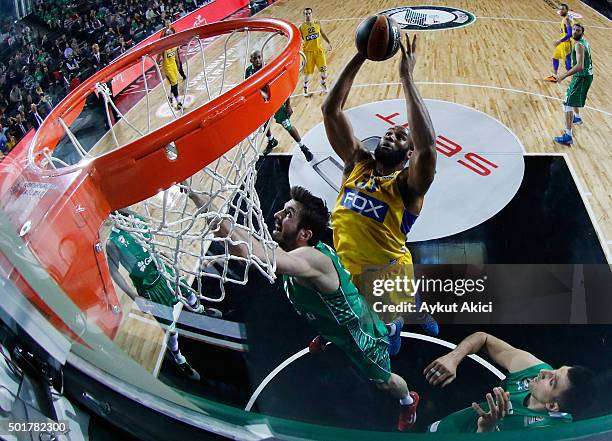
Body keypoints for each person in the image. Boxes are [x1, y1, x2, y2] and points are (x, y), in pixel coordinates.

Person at [189, 187, 420, 431]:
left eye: (288, 214)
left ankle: (408, 401)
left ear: (305, 234)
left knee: (384, 382)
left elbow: (249, 251)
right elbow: (254, 248)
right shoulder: (296, 251)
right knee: (332, 318)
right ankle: (386, 328)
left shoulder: (311, 260)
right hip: (335, 318)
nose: (277, 214)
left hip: (360, 334)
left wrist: (199, 197)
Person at [321, 34, 438, 334]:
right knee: (360, 331)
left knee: (387, 335)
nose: (390, 136)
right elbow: (330, 110)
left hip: (387, 275)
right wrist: (362, 53)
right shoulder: (357, 162)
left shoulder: (407, 187)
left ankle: (409, 314)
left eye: (400, 137)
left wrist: (406, 76)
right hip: (348, 270)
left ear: (408, 154)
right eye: (388, 133)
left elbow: (427, 149)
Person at [106, 210, 222, 380]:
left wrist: (166, 257)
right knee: (170, 329)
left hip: (163, 273)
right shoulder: (112, 242)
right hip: (150, 289)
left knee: (189, 293)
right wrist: (134, 296)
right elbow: (114, 272)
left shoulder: (139, 219)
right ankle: (179, 359)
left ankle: (201, 310)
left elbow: (152, 247)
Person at [424, 331, 595, 433]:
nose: (544, 372)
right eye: (555, 369)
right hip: (453, 426)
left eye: (552, 381)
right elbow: (483, 338)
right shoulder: (533, 370)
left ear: (553, 407)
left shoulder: (547, 433)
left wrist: (486, 429)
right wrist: (453, 358)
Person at [245, 50, 313, 160]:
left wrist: (288, 105)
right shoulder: (248, 71)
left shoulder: (270, 69)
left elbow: (284, 86)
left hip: (275, 102)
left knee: (288, 126)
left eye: (259, 57)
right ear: (251, 60)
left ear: (262, 58)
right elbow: (248, 88)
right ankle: (272, 141)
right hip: (262, 104)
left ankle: (303, 147)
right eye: (255, 58)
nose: (257, 60)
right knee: (264, 124)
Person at [553, 22, 593, 146]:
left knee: (567, 103)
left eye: (578, 30)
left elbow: (580, 66)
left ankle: (568, 136)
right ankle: (577, 117)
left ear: (582, 33)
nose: (575, 31)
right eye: (574, 29)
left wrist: (563, 76)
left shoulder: (579, 46)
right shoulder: (584, 42)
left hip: (581, 77)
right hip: (585, 76)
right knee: (571, 97)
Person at [299, 7, 332, 96]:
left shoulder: (317, 23)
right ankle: (305, 88)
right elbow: (299, 40)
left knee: (324, 72)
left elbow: (322, 33)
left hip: (319, 51)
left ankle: (323, 83)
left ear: (312, 14)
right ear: (304, 15)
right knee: (307, 74)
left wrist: (328, 42)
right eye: (306, 14)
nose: (308, 15)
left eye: (309, 13)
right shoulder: (301, 28)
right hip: (308, 53)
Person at [544, 4, 573, 83]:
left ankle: (580, 76)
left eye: (563, 9)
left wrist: (559, 41)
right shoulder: (566, 18)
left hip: (567, 44)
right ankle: (554, 76)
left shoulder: (567, 20)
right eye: (560, 9)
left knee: (568, 67)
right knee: (555, 57)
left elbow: (570, 34)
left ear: (567, 10)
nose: (561, 11)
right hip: (563, 42)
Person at [159, 27, 182, 110]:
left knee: (175, 84)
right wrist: (158, 68)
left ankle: (170, 97)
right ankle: (178, 102)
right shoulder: (164, 47)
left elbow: (176, 54)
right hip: (167, 67)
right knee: (175, 83)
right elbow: (158, 58)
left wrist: (178, 63)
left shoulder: (175, 43)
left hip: (173, 65)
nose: (170, 34)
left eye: (171, 33)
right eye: (168, 34)